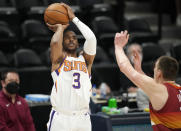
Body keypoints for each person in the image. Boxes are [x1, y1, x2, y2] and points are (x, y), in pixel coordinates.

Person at [114, 30, 181, 130]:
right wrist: (139, 70)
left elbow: (124, 67)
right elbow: (148, 84)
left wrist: (118, 47)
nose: (153, 69)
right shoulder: (178, 88)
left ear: (159, 73)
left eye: (155, 67)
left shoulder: (159, 89)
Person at [46, 3, 97, 131]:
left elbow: (91, 38)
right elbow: (55, 42)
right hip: (61, 117)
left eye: (74, 37)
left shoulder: (85, 61)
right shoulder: (59, 60)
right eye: (67, 38)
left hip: (82, 117)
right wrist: (60, 29)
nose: (71, 40)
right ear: (63, 43)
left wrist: (74, 18)